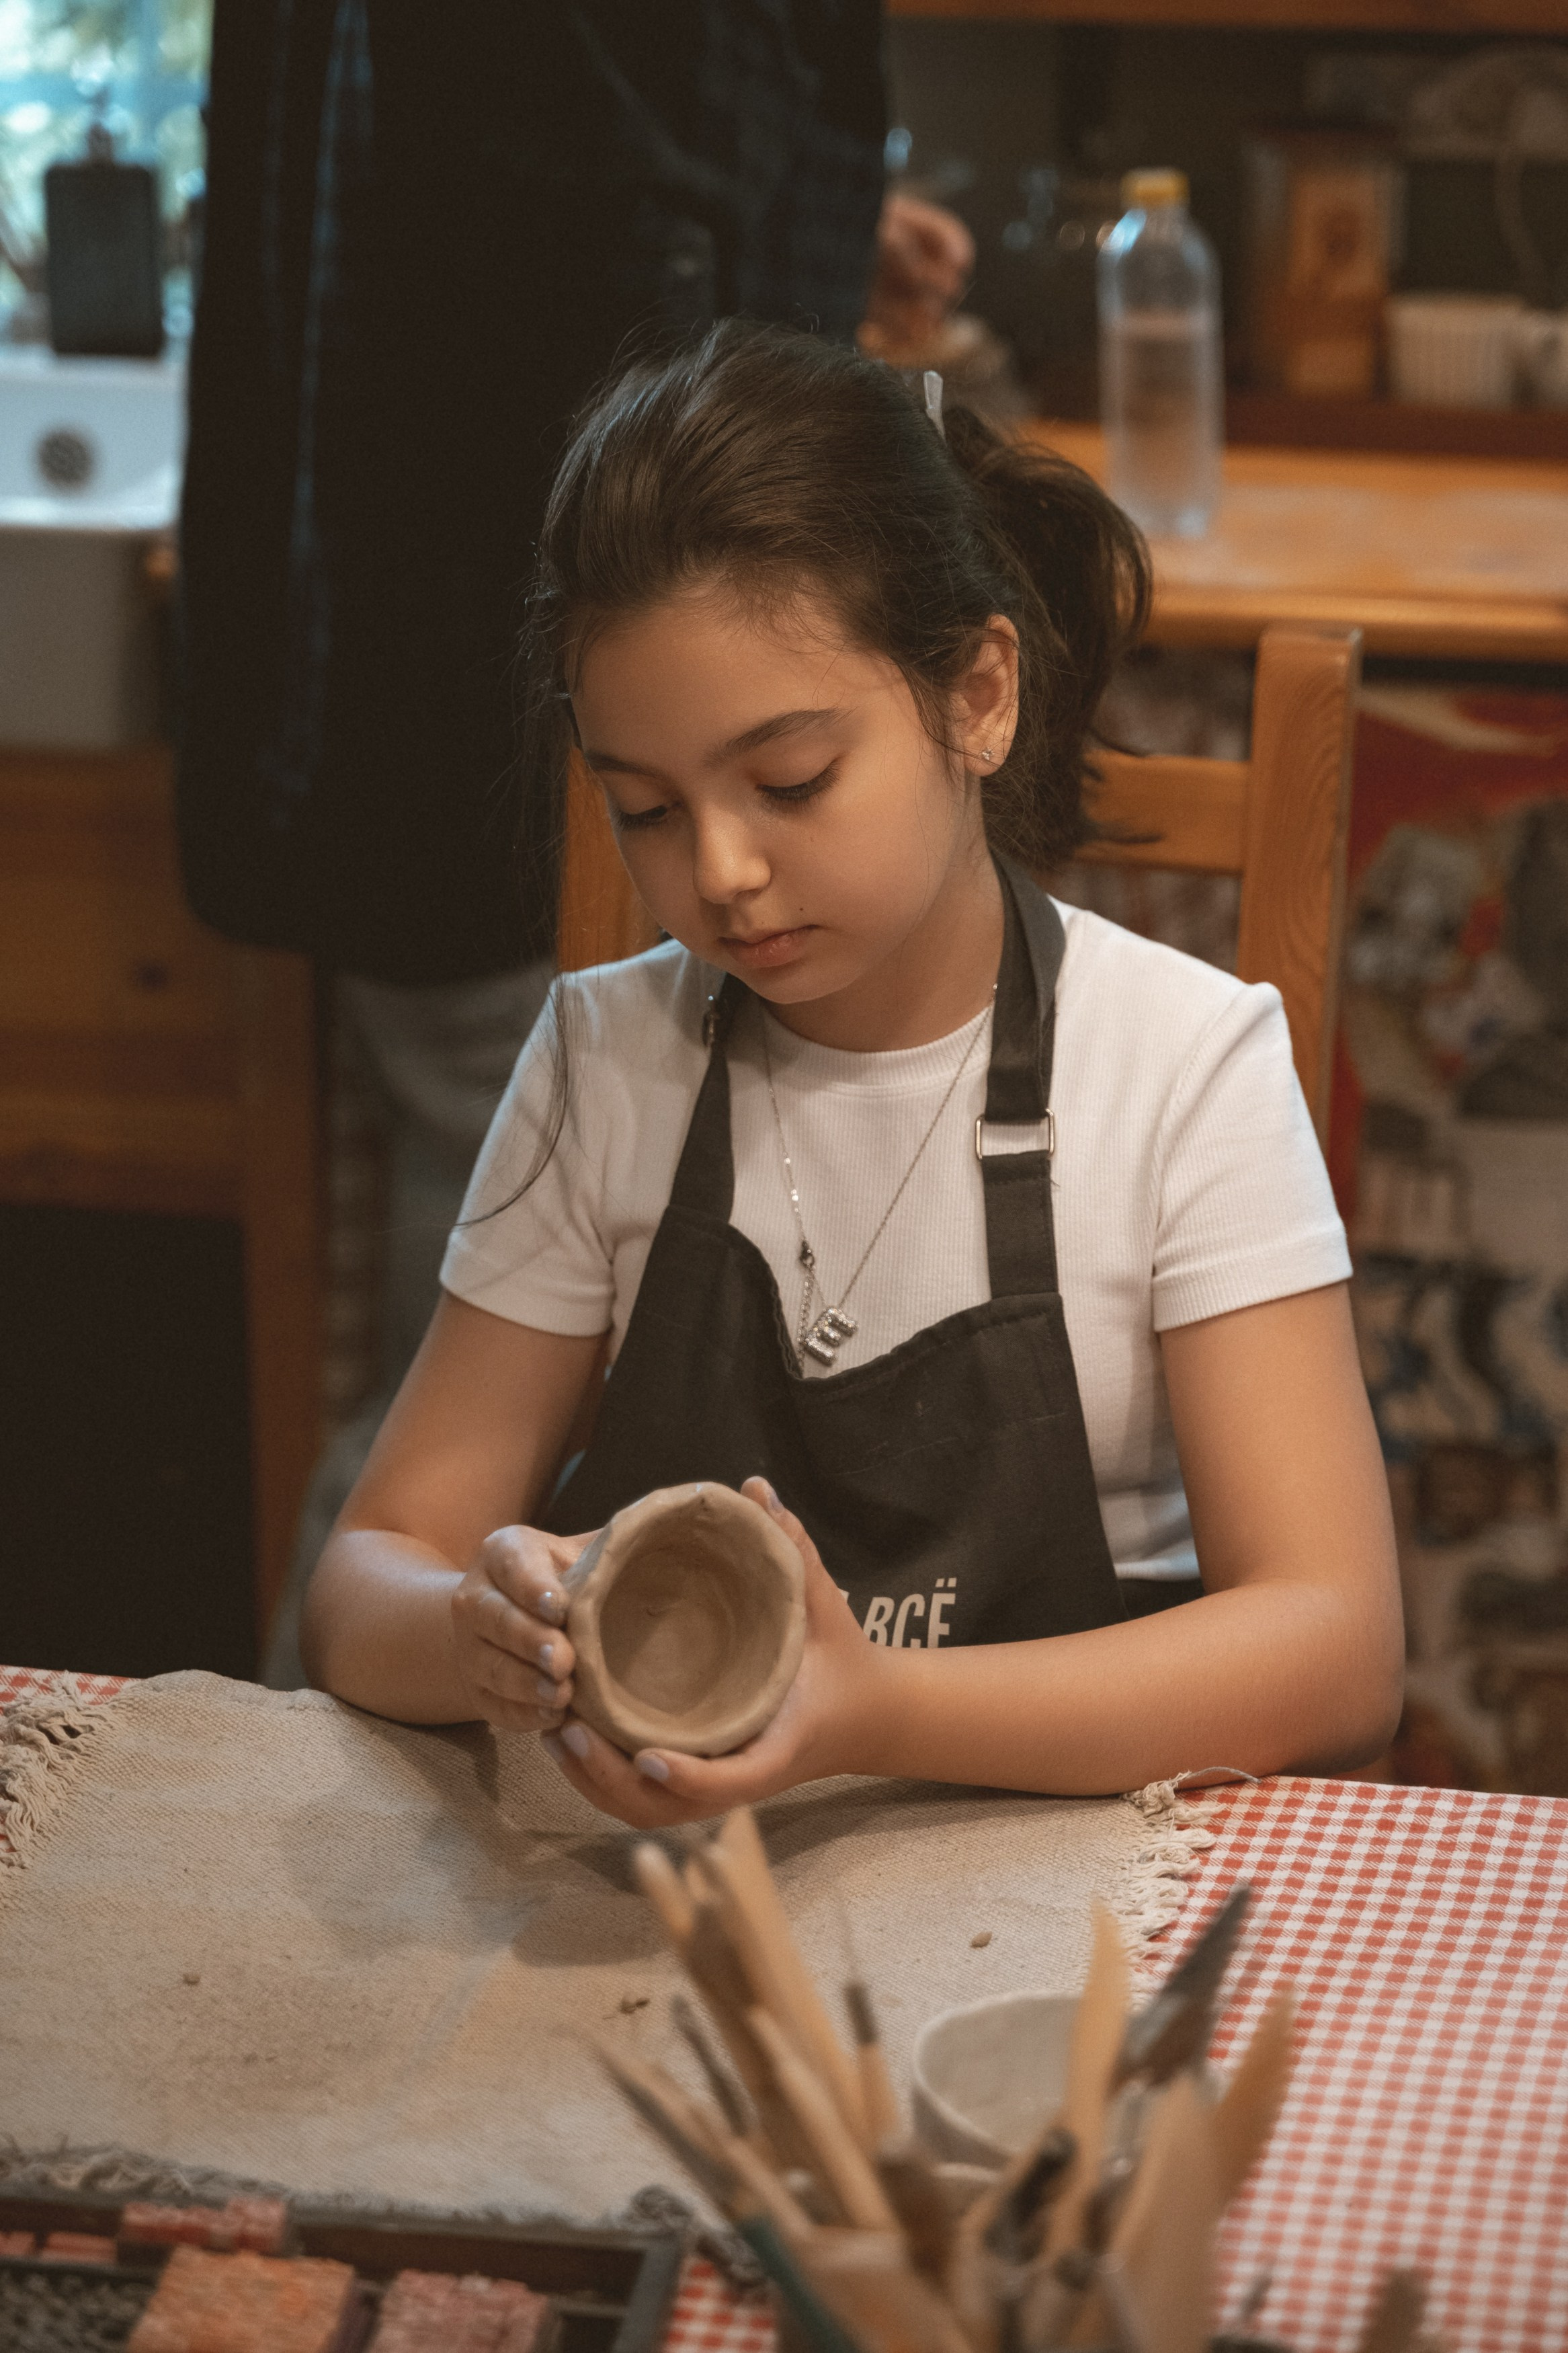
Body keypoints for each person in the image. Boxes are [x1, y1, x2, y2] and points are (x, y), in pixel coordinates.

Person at [301, 322, 1403, 1821]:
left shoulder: (1179, 1070)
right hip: (678, 1903)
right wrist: (475, 1627)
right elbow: (366, 1578)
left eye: (792, 780)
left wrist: (871, 1707)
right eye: (646, 809)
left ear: (980, 695)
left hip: (1059, 1883)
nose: (725, 873)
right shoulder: (607, 1063)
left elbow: (1337, 1646)